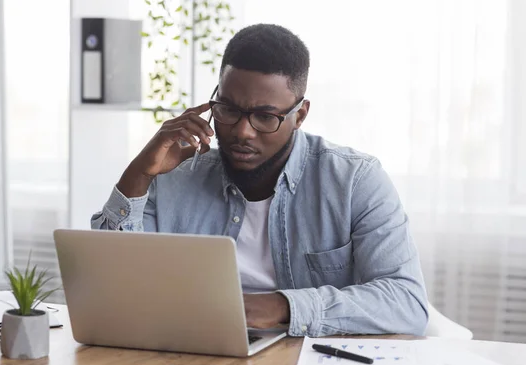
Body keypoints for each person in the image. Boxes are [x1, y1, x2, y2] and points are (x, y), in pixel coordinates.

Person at [92, 23, 428, 337]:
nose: (242, 131)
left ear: (300, 114)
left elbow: (406, 301)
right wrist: (139, 173)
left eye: (265, 116)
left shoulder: (354, 181)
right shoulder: (175, 173)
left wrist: (283, 306)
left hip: (309, 364)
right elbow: (108, 285)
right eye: (227, 109)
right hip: (192, 350)